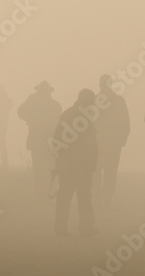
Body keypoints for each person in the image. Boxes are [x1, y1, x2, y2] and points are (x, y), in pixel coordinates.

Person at [53, 89, 98, 237]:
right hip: (79, 165)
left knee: (66, 196)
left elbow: (56, 140)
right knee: (82, 196)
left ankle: (62, 228)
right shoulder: (82, 116)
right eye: (91, 101)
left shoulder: (69, 114)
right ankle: (85, 227)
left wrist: (60, 160)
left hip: (71, 164)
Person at [93, 75, 130, 208]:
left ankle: (99, 199)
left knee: (97, 170)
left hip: (100, 142)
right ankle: (105, 199)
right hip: (111, 142)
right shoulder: (118, 100)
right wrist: (122, 138)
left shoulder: (95, 100)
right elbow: (126, 121)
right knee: (109, 170)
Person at [18, 81, 62, 180]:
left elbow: (20, 111)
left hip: (42, 141)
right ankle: (46, 188)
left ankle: (42, 189)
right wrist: (29, 119)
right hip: (45, 141)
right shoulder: (54, 104)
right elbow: (20, 112)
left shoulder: (53, 105)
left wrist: (30, 119)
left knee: (40, 167)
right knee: (45, 166)